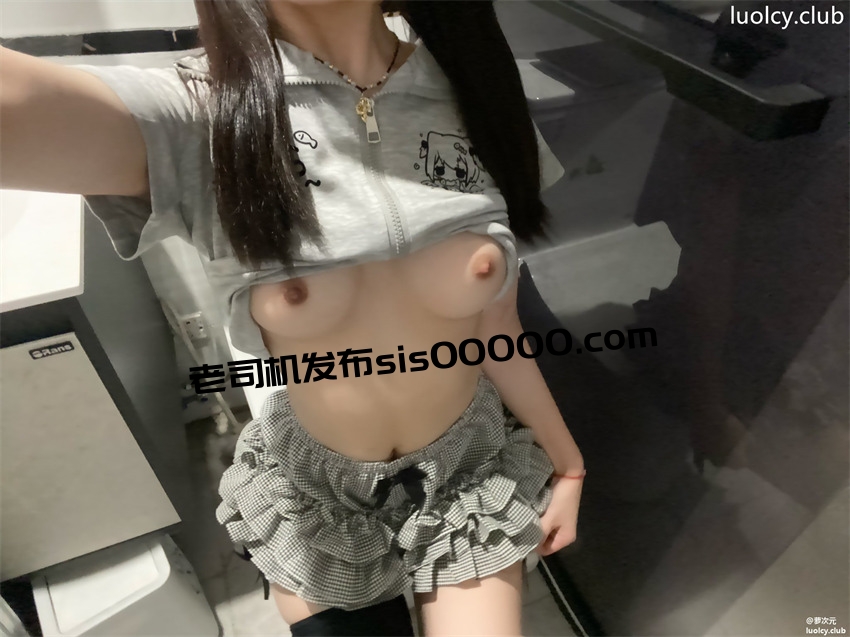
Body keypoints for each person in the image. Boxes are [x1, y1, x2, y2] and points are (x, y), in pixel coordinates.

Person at [0, 1, 585, 634]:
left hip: (465, 472)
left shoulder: (474, 91)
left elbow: (496, 328)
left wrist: (568, 461)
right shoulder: (202, 113)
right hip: (315, 494)